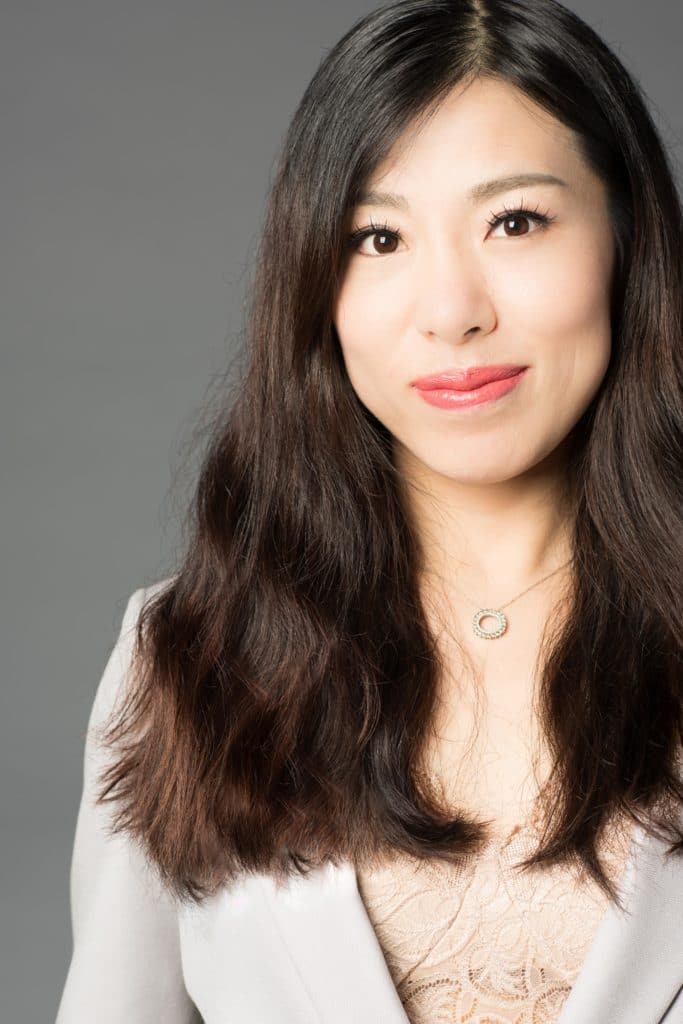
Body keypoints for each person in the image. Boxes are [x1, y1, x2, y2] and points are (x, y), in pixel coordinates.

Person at [56, 1, 683, 1022]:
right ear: (316, 284)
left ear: (622, 236)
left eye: (514, 220)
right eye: (376, 237)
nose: (450, 309)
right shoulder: (186, 656)